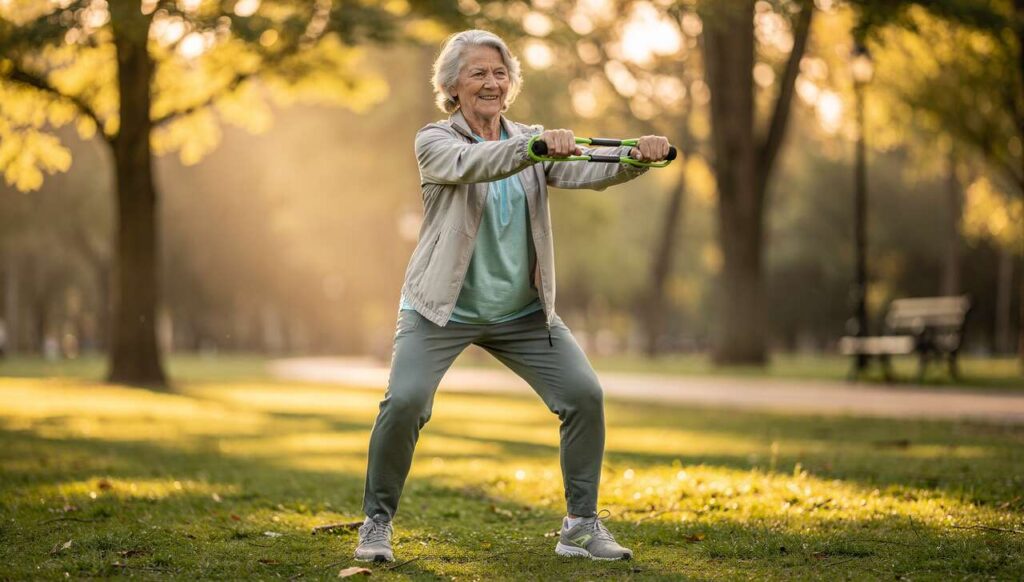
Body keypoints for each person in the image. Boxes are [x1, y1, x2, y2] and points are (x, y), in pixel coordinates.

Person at [355, 29, 672, 563]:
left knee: (584, 396)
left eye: (499, 73)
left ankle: (579, 526)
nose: (491, 82)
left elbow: (583, 169)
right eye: (477, 73)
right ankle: (376, 523)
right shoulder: (435, 140)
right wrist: (533, 146)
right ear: (453, 86)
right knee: (405, 401)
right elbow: (478, 164)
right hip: (440, 308)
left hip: (522, 313)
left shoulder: (531, 138)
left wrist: (636, 159)